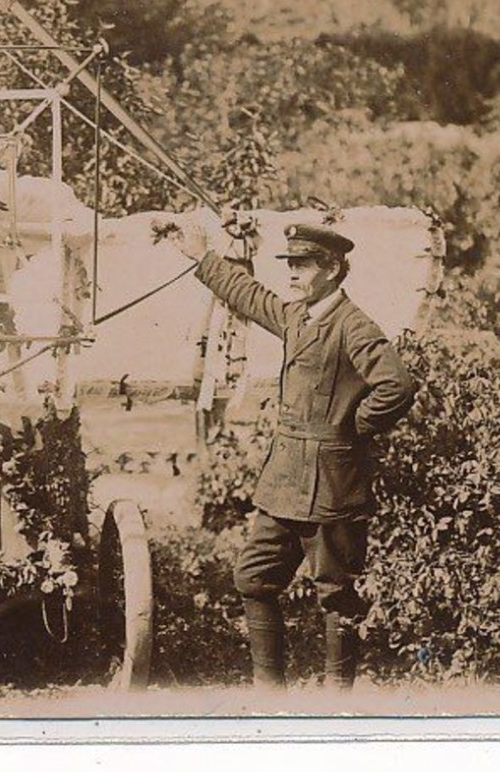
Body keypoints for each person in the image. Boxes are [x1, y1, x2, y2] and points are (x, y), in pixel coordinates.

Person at [175, 218, 417, 691]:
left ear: (332, 269)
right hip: (284, 485)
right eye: (289, 263)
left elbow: (397, 385)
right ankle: (270, 694)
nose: (291, 273)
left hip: (332, 485)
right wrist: (202, 257)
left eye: (302, 265)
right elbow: (249, 295)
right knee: (253, 578)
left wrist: (351, 427)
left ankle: (336, 701)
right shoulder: (297, 316)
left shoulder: (354, 326)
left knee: (336, 595)